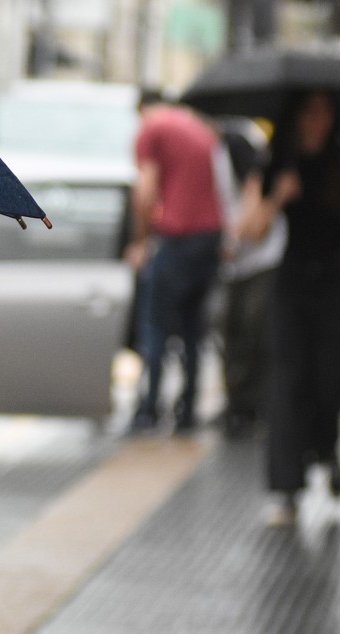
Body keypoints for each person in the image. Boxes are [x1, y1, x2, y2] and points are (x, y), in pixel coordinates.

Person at [237, 91, 340, 526]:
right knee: (287, 382)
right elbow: (249, 230)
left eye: (324, 111)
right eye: (309, 112)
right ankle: (286, 488)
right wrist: (278, 196)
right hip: (291, 284)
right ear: (296, 116)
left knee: (329, 380)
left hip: (338, 282)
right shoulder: (275, 161)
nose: (317, 120)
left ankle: (326, 449)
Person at [126, 89, 225, 434]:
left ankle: (148, 409)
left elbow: (145, 191)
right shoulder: (198, 127)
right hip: (210, 237)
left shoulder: (152, 129)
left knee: (154, 327)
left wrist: (140, 241)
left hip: (177, 238)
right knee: (193, 329)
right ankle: (188, 411)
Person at [214, 119, 285, 440]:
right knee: (230, 330)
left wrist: (235, 236)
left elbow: (254, 191)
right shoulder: (213, 147)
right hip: (235, 261)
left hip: (259, 256)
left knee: (251, 327)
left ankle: (253, 405)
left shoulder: (235, 142)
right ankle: (237, 404)